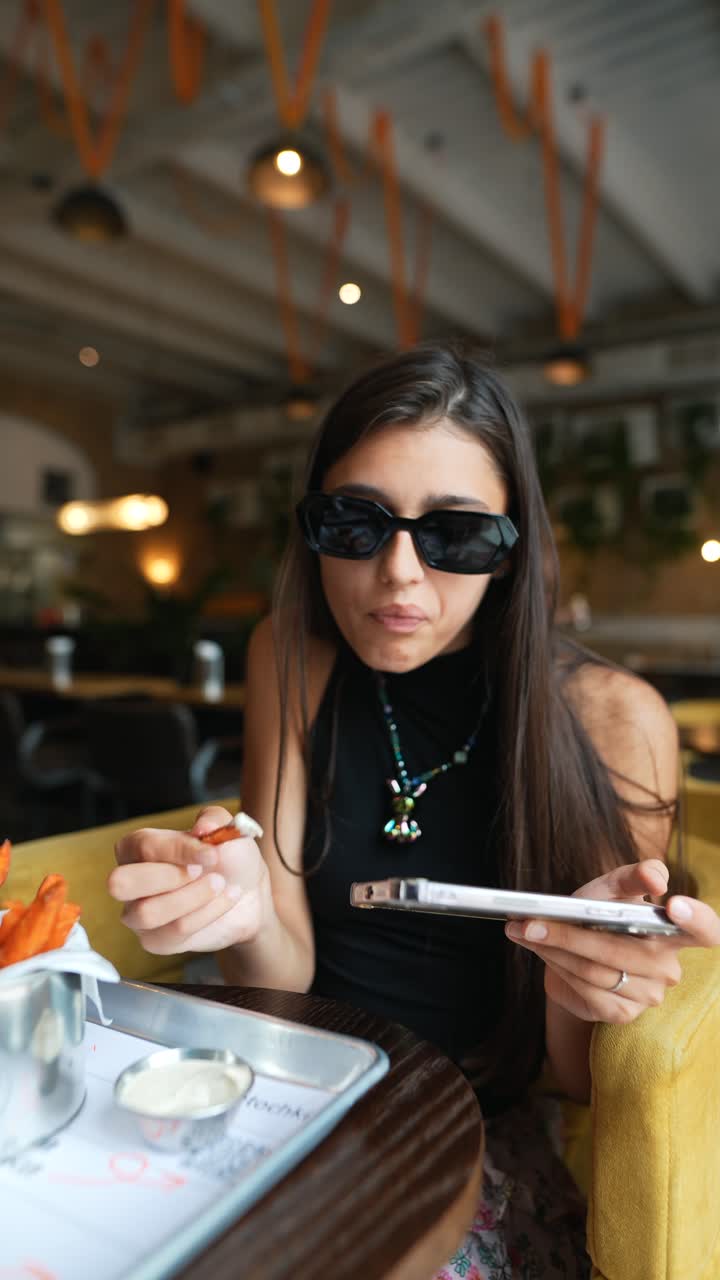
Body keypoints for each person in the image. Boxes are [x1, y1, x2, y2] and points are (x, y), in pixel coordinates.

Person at [110, 343, 720, 1278]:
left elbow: (572, 1078)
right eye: (356, 523)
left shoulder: (609, 718)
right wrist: (245, 910)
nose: (398, 575)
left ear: (513, 550)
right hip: (291, 1074)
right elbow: (289, 968)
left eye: (456, 534)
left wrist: (584, 983)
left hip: (467, 1119)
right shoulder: (291, 653)